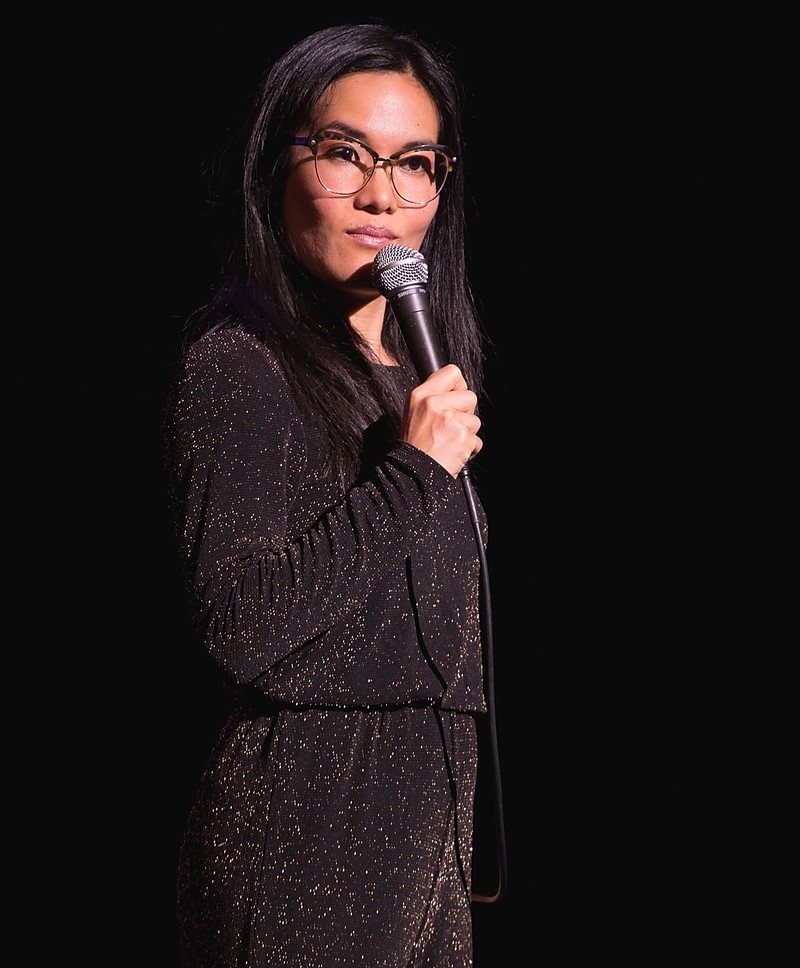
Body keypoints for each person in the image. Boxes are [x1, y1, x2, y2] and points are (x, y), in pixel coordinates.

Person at [163, 21, 496, 967]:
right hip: (307, 834)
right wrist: (414, 474)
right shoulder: (240, 364)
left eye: (414, 163)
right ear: (276, 164)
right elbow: (242, 624)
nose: (382, 194)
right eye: (344, 154)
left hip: (428, 835)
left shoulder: (415, 378)